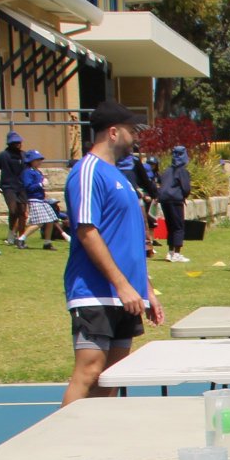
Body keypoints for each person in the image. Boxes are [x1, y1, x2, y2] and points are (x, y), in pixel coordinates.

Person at [61, 100, 164, 415]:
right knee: (90, 371)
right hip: (95, 292)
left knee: (111, 378)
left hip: (127, 295)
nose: (135, 138)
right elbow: (87, 232)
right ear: (113, 132)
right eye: (132, 131)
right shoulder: (88, 172)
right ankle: (59, 443)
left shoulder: (120, 176)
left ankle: (91, 440)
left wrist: (145, 289)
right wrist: (122, 285)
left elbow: (127, 238)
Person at [0, 131, 28, 247]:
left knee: (22, 212)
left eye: (19, 142)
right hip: (8, 187)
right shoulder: (3, 155)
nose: (18, 144)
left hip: (21, 187)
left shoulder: (23, 155)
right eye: (15, 142)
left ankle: (21, 238)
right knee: (13, 211)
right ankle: (11, 234)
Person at [158, 144, 192, 263]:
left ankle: (170, 252)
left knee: (170, 226)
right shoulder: (182, 171)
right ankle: (177, 253)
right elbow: (186, 188)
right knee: (178, 226)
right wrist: (184, 196)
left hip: (164, 199)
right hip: (175, 199)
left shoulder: (167, 170)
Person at [23, 149, 62, 250]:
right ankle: (21, 239)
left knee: (50, 220)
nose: (39, 161)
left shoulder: (38, 172)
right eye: (37, 159)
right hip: (34, 199)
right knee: (39, 222)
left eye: (40, 159)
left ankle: (47, 242)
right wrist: (40, 184)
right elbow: (28, 187)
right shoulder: (28, 172)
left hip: (41, 199)